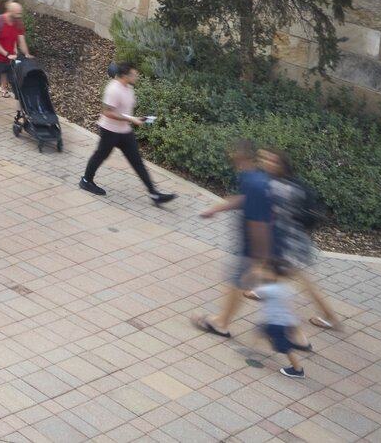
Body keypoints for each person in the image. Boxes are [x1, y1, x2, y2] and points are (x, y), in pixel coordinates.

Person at [193, 140, 278, 340]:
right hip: (254, 246)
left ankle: (222, 323)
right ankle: (292, 333)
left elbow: (259, 224)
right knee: (245, 283)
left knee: (238, 282)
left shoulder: (253, 182)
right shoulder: (253, 178)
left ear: (240, 156)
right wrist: (216, 208)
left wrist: (260, 259)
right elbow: (244, 200)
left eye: (232, 153)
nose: (229, 156)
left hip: (252, 247)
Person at [260, 148, 339, 331]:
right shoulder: (291, 184)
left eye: (271, 161)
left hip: (290, 244)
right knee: (271, 270)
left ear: (282, 166)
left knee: (302, 282)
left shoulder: (282, 187)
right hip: (290, 240)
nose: (266, 163)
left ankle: (326, 318)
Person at [79, 63, 177, 204]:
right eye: (134, 74)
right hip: (110, 131)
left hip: (124, 131)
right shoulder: (113, 89)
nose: (137, 77)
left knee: (137, 161)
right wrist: (130, 119)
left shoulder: (129, 88)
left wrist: (135, 119)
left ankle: (154, 194)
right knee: (100, 155)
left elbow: (124, 110)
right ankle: (86, 180)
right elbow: (107, 112)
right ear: (125, 76)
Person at [253, 260, 310, 377]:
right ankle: (258, 344)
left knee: (284, 348)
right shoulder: (285, 287)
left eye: (266, 272)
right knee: (262, 330)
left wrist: (250, 291)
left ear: (274, 274)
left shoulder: (270, 289)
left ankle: (297, 369)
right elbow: (296, 297)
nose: (264, 274)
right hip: (284, 321)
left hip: (276, 324)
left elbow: (252, 293)